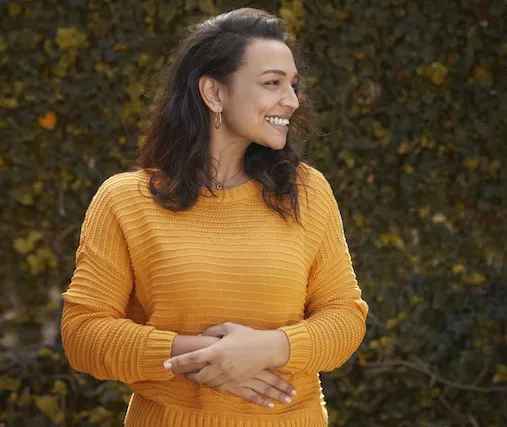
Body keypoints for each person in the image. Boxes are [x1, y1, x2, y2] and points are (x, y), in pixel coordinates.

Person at [59, 7, 368, 427]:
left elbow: (345, 317)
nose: (292, 100)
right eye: (272, 83)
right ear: (214, 93)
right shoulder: (124, 200)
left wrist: (270, 348)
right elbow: (83, 334)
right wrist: (203, 357)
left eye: (293, 85)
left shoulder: (306, 193)